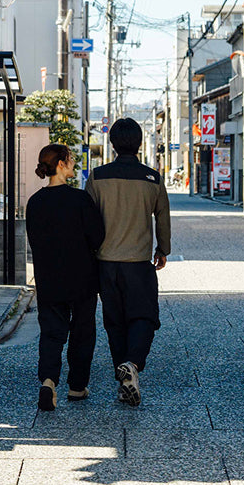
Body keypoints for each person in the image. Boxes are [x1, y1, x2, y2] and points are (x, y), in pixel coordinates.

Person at [85, 118, 170, 406]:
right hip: (138, 261)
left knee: (115, 322)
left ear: (112, 144)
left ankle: (124, 380)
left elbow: (89, 219)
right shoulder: (152, 179)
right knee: (144, 316)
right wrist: (163, 249)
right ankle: (132, 364)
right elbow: (163, 217)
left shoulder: (97, 177)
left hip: (105, 262)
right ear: (140, 143)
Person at [25, 143, 105, 412]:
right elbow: (97, 237)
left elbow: (34, 241)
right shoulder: (80, 200)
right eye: (70, 159)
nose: (73, 162)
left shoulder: (35, 202)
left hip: (48, 278)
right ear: (60, 164)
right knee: (82, 332)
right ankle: (77, 387)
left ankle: (48, 382)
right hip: (82, 277)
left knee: (51, 332)